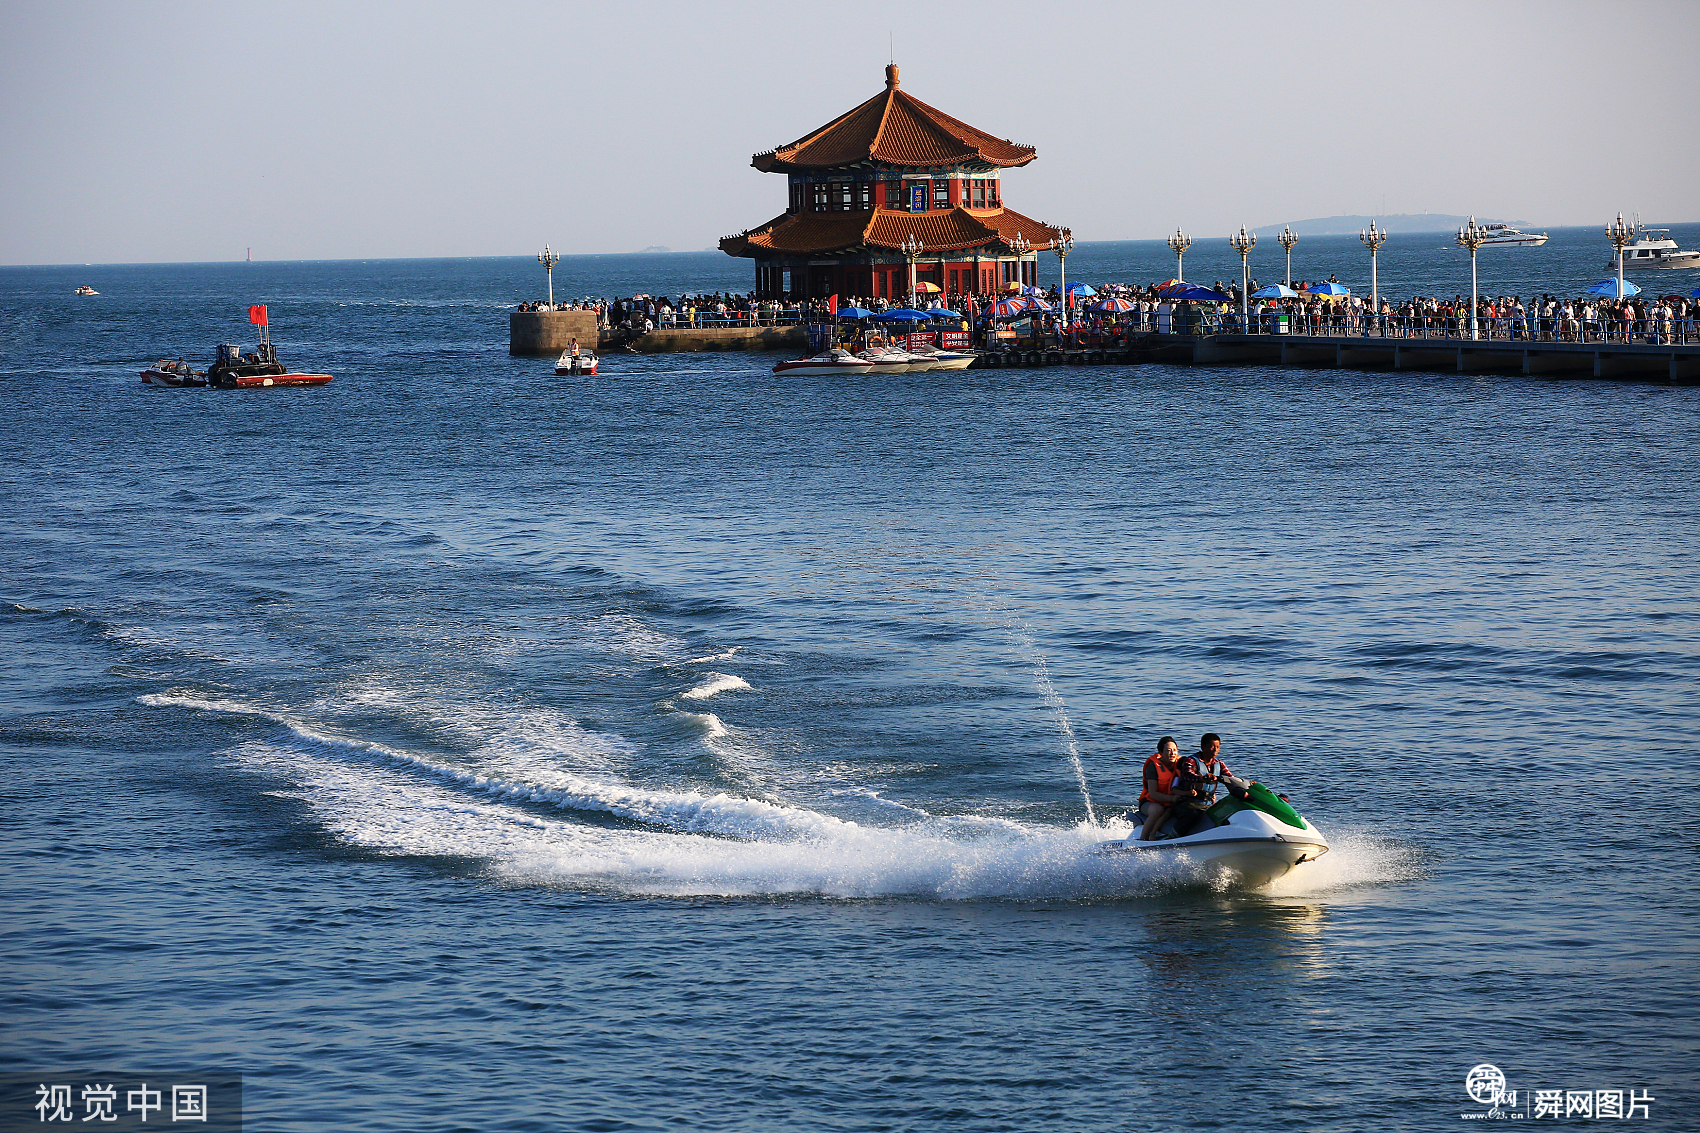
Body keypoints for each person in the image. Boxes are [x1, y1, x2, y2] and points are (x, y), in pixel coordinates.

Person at [1166, 733, 1234, 837]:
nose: (1215, 750)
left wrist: (1247, 784)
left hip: (1207, 804)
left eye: (1218, 747)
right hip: (1187, 803)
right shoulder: (1191, 761)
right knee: (1192, 815)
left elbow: (1230, 778)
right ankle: (1173, 837)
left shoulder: (1219, 764)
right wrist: (1202, 778)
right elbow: (1189, 774)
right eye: (1212, 746)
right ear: (1203, 747)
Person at [1136, 736, 1185, 840]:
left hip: (1170, 803)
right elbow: (1153, 793)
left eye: (1175, 750)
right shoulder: (1153, 766)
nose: (1172, 753)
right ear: (1160, 752)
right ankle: (1142, 839)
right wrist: (1171, 799)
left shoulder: (1181, 764)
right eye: (1168, 750)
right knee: (1158, 810)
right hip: (1149, 802)